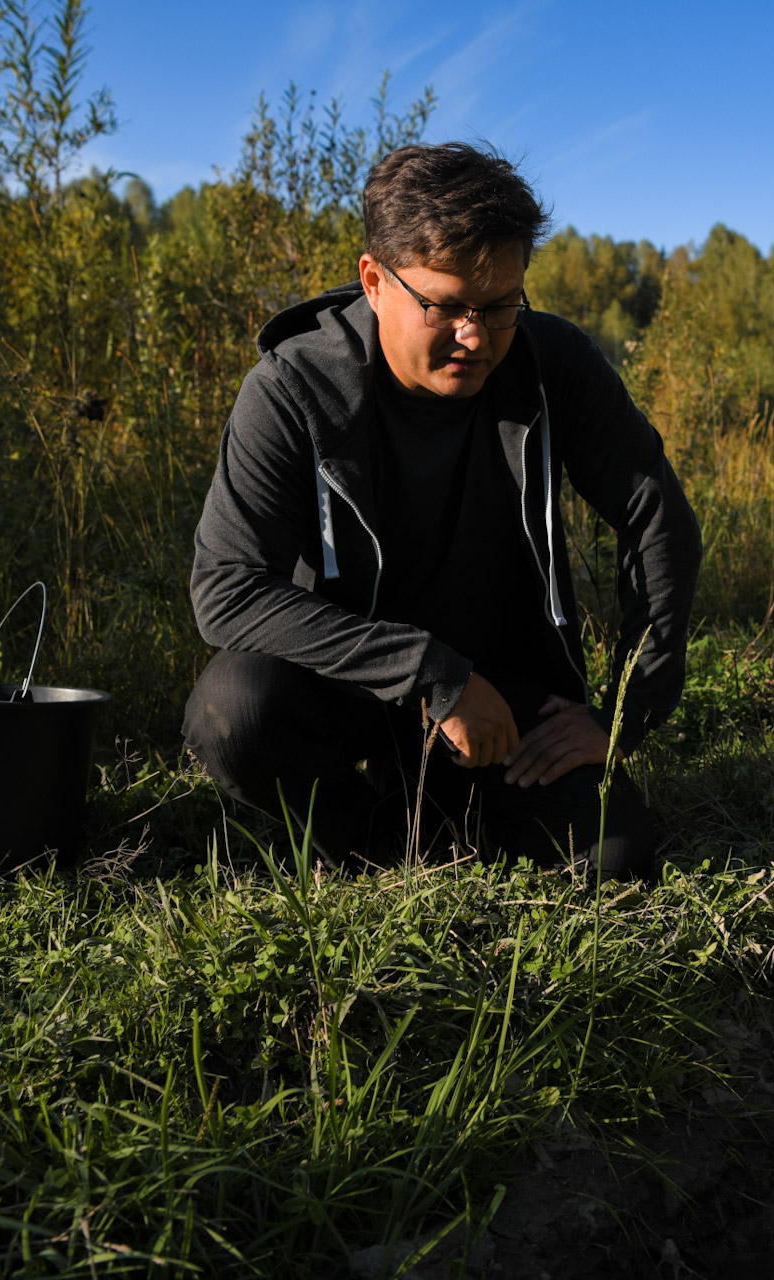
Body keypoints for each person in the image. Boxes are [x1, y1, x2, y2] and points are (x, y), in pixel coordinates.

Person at [181, 143, 702, 879]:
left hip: (507, 700)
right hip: (353, 685)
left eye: (499, 307)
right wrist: (433, 674)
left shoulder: (553, 363)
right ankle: (379, 853)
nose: (475, 336)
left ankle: (450, 811)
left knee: (615, 863)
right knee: (234, 710)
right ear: (374, 279)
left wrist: (626, 712)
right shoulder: (293, 389)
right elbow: (226, 588)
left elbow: (659, 517)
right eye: (446, 305)